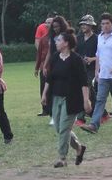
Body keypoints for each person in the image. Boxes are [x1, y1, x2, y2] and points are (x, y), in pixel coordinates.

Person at [41, 29, 91, 167]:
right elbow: (49, 78)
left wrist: (86, 100)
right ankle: (79, 148)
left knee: (64, 129)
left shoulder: (76, 60)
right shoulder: (55, 57)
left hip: (72, 99)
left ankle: (62, 158)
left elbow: (83, 82)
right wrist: (44, 94)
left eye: (58, 40)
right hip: (56, 97)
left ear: (66, 43)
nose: (56, 42)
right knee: (59, 128)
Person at [81, 13, 112, 134]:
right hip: (104, 75)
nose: (105, 26)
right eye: (103, 23)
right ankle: (94, 125)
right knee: (100, 99)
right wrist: (97, 71)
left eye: (107, 23)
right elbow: (98, 55)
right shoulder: (100, 37)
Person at [42, 15, 71, 122]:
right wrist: (45, 65)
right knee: (52, 89)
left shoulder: (67, 36)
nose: (55, 29)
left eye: (57, 27)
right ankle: (54, 115)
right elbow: (49, 52)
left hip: (65, 63)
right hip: (54, 64)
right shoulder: (52, 37)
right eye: (53, 27)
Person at [75, 15, 99, 126]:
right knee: (91, 92)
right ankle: (100, 113)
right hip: (80, 68)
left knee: (84, 88)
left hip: (92, 69)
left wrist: (92, 59)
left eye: (85, 24)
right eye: (82, 24)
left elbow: (102, 55)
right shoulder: (78, 38)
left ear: (91, 26)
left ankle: (80, 117)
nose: (83, 26)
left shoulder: (97, 39)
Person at [34, 17, 53, 116]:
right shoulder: (43, 39)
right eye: (47, 23)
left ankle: (53, 109)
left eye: (50, 22)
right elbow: (39, 54)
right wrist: (37, 68)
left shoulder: (58, 38)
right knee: (43, 88)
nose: (48, 24)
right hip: (44, 68)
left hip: (54, 67)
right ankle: (45, 109)